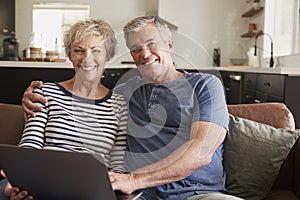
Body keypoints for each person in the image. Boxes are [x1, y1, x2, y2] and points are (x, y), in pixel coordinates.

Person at [21, 16, 242, 200]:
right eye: (136, 48)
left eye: (151, 43)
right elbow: (87, 104)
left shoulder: (205, 85)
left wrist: (134, 179)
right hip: (142, 195)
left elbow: (201, 151)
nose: (144, 54)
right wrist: (32, 97)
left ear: (170, 45)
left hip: (197, 193)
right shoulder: (124, 93)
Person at [0, 18, 128, 200]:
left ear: (108, 55)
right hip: (41, 184)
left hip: (89, 192)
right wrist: (18, 182)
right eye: (78, 50)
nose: (86, 58)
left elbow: (118, 165)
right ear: (69, 55)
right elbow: (29, 147)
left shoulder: (120, 105)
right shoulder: (45, 92)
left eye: (96, 50)